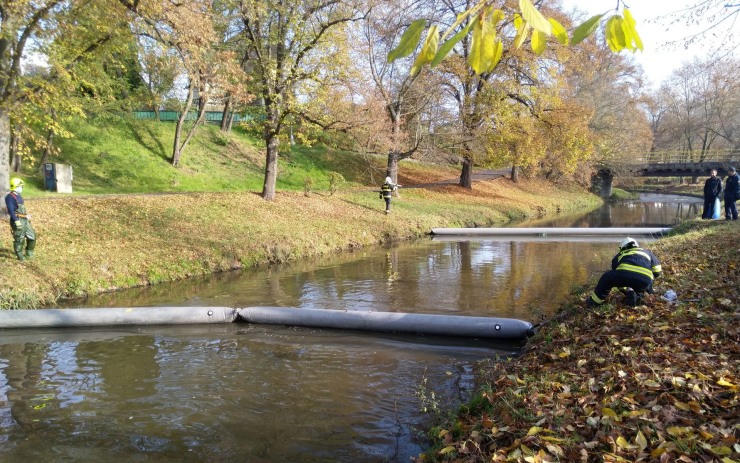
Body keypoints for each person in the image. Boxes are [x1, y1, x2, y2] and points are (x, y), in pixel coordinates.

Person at [588, 237, 662, 307]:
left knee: (607, 277)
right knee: (643, 285)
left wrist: (624, 286)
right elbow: (658, 271)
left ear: (622, 248)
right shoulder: (647, 252)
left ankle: (594, 302)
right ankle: (637, 296)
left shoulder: (620, 255)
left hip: (624, 276)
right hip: (645, 280)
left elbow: (615, 271)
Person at [5, 178, 36, 261]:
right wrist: (16, 221)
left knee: (32, 236)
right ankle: (20, 256)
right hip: (17, 220)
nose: (21, 188)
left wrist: (26, 216)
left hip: (24, 220)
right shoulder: (9, 197)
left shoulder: (18, 195)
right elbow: (11, 211)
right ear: (15, 187)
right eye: (20, 186)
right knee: (19, 239)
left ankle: (29, 253)